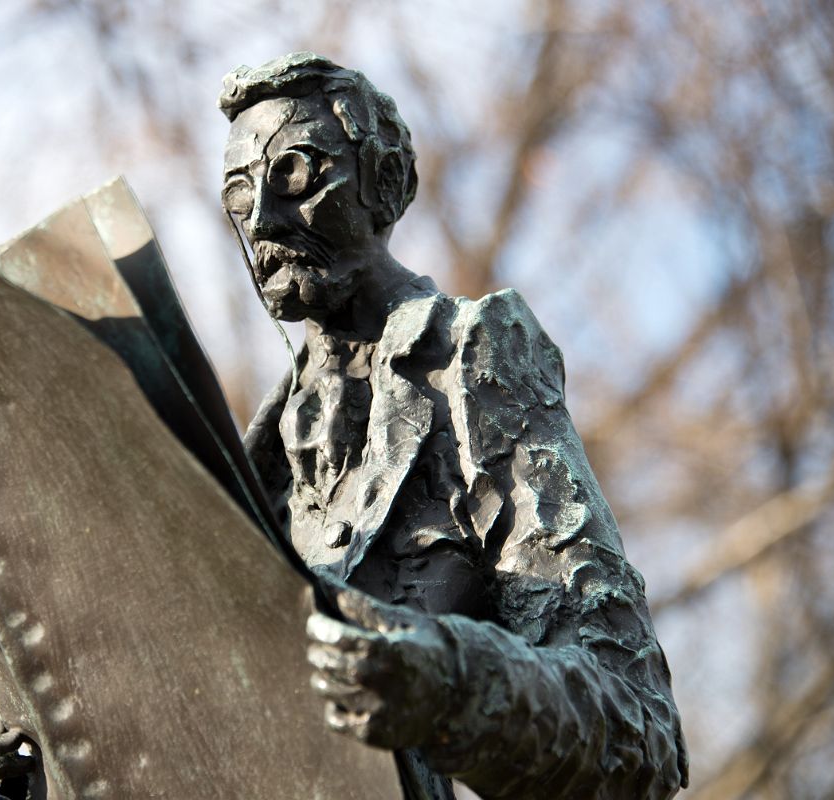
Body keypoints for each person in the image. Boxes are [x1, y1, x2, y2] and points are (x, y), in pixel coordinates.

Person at [220, 52, 687, 799]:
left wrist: (448, 684)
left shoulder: (474, 364)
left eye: (298, 174)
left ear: (385, 183)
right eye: (239, 195)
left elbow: (639, 728)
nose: (262, 223)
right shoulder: (251, 455)